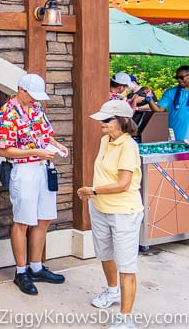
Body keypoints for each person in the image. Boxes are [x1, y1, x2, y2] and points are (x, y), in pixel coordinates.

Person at [0, 73, 69, 296]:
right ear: (21, 90)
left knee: (44, 218)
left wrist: (58, 145)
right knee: (23, 220)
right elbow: (3, 150)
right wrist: (35, 151)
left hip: (43, 167)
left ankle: (36, 267)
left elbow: (46, 135)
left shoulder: (36, 109)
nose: (36, 100)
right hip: (24, 170)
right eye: (32, 95)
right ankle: (21, 271)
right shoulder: (6, 113)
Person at [77, 100, 143, 329]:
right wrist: (94, 195)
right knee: (105, 254)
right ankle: (113, 291)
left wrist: (92, 190)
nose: (102, 124)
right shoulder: (106, 140)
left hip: (124, 212)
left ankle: (126, 318)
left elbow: (124, 183)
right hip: (100, 207)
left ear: (123, 122)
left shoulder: (128, 146)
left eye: (107, 120)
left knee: (126, 265)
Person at [143, 64, 189, 141]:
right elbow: (159, 110)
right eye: (176, 78)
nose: (179, 80)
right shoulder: (170, 92)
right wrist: (149, 98)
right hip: (176, 138)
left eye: (181, 77)